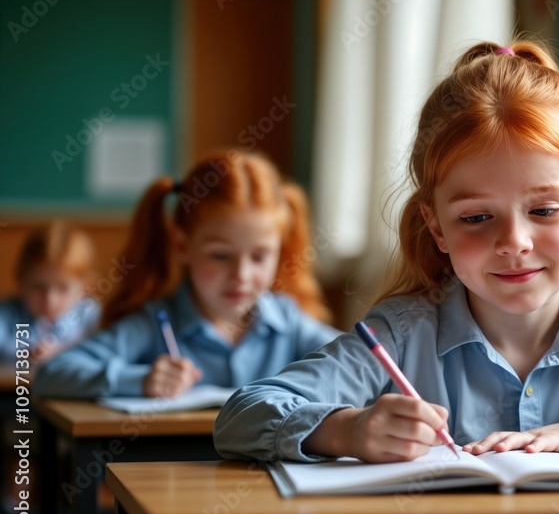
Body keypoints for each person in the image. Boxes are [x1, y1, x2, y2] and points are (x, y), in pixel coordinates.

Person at [214, 41, 559, 464]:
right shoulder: (402, 333)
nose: (514, 242)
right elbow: (241, 415)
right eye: (476, 218)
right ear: (436, 229)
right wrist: (346, 430)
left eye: (543, 210)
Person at [37, 150, 340, 398]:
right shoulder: (154, 322)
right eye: (221, 256)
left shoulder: (288, 322)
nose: (242, 275)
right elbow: (53, 373)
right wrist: (140, 380)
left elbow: (358, 361)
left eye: (260, 257)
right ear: (182, 245)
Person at [0, 221, 100, 365]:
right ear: (21, 281)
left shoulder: (90, 315)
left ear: (86, 287)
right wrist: (25, 354)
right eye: (38, 287)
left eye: (62, 288)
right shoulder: (7, 314)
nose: (49, 299)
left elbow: (99, 353)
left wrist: (61, 352)